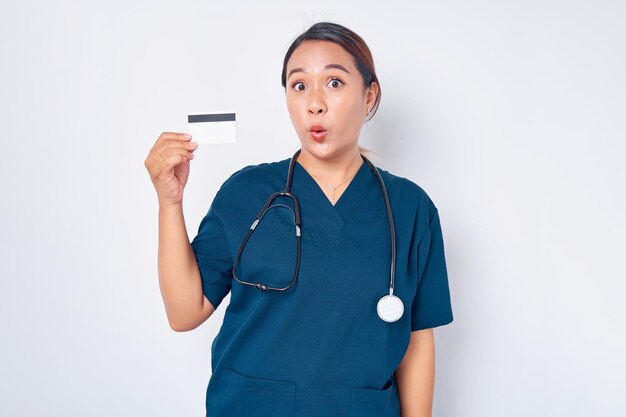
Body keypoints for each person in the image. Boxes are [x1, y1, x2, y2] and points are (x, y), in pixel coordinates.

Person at [145, 21, 453, 417]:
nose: (315, 103)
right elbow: (185, 312)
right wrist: (169, 204)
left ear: (369, 94)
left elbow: (416, 336)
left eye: (335, 83)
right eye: (299, 85)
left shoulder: (411, 209)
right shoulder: (246, 193)